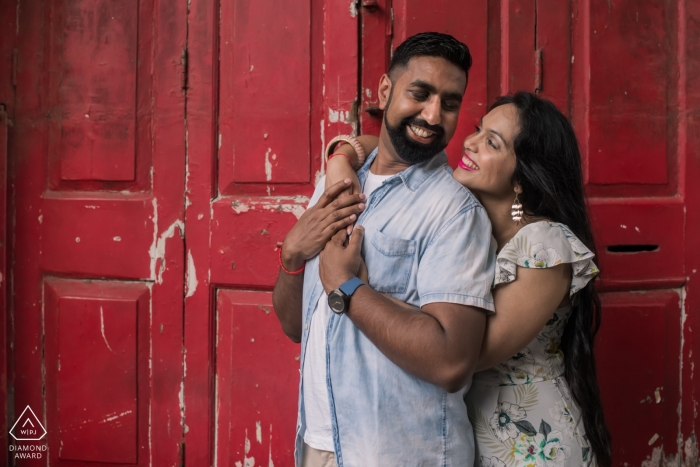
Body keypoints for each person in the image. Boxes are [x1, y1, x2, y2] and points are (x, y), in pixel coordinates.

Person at [323, 91, 613, 467]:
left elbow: (460, 353)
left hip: (533, 447)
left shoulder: (544, 245)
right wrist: (341, 155)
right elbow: (386, 145)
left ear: (523, 177)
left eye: (491, 142)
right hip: (466, 438)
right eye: (478, 130)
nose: (470, 142)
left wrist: (356, 286)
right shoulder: (467, 221)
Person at [272, 32, 497, 467]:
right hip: (319, 445)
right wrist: (292, 257)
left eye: (449, 103)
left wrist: (346, 285)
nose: (433, 114)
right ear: (385, 90)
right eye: (421, 93)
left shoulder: (454, 211)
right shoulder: (335, 184)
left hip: (399, 454)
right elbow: (294, 326)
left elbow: (451, 362)